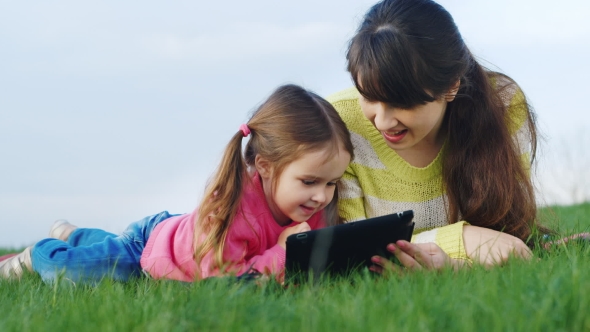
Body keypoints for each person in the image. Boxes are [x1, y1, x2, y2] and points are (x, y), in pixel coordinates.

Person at [0, 84, 354, 284]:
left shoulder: (310, 207)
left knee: (107, 246)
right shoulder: (229, 212)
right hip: (151, 251)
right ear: (264, 166)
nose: (322, 196)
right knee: (77, 272)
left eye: (332, 183)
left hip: (176, 232)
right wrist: (283, 254)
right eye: (310, 181)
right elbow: (222, 286)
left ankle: (76, 234)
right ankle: (39, 253)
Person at [328, 0, 548, 271]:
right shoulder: (339, 124)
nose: (382, 121)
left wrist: (449, 264)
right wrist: (463, 239)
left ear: (451, 87)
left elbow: (511, 234)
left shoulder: (503, 104)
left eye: (402, 102)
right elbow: (352, 254)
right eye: (368, 96)